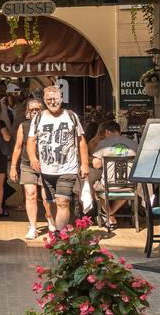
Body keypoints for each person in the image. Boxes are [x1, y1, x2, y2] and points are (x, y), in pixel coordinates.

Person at [27, 85, 89, 232]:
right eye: (49, 99)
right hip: (46, 169)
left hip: (67, 168)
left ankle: (60, 236)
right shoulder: (38, 118)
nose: (53, 102)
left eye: (55, 98)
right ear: (44, 100)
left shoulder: (71, 116)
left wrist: (85, 163)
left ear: (61, 98)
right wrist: (33, 158)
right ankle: (58, 230)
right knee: (51, 203)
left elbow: (81, 141)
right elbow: (31, 141)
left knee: (63, 202)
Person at [10, 97, 54, 240]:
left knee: (46, 196)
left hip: (46, 164)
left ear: (43, 111)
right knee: (30, 194)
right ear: (28, 112)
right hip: (27, 164)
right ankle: (33, 227)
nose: (35, 112)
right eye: (32, 109)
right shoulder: (24, 126)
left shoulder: (50, 124)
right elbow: (17, 147)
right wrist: (13, 167)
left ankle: (50, 219)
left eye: (38, 109)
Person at [89, 120, 140, 228]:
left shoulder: (103, 144)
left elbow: (96, 165)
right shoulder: (134, 144)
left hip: (109, 184)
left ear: (107, 131)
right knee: (130, 189)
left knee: (94, 187)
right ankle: (111, 214)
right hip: (130, 185)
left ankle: (109, 215)